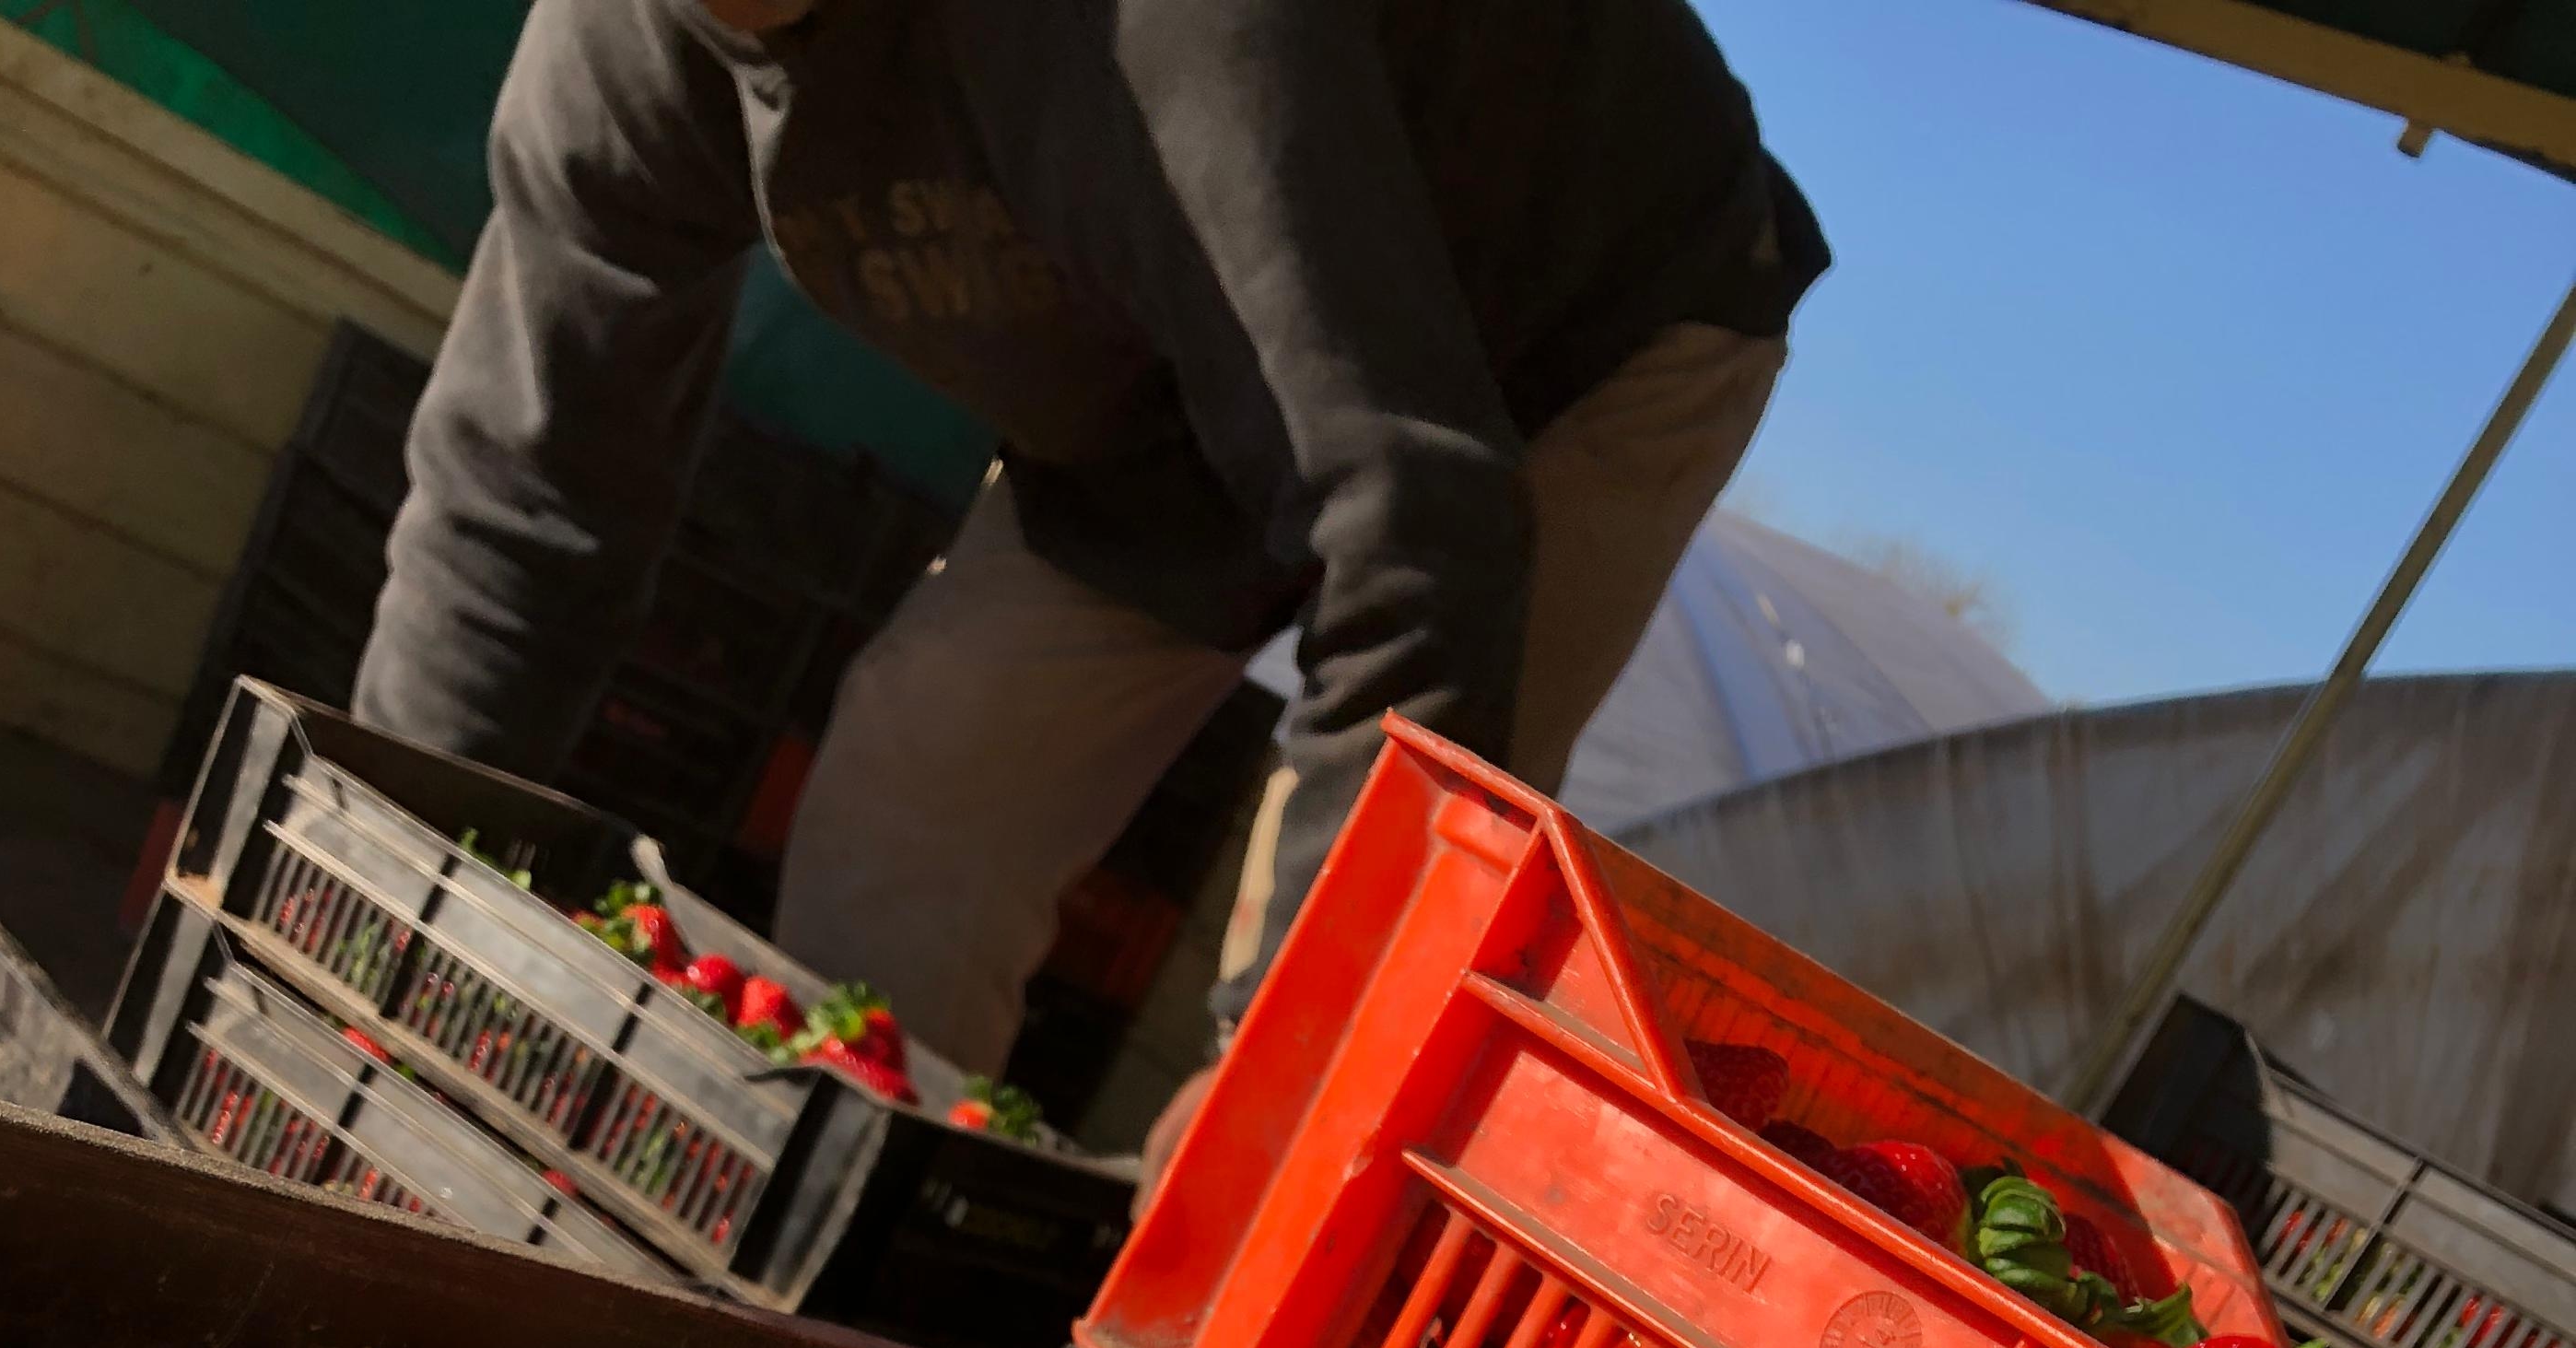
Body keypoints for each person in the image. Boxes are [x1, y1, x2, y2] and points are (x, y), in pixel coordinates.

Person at [357, 0, 1822, 1158]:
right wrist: (380, 895)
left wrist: (1287, 1075)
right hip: (1167, 359)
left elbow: (1414, 521)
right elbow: (526, 487)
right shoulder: (617, 53)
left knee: (1317, 1009)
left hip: (1578, 332)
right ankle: (832, 1297)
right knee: (915, 785)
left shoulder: (1161, 24)